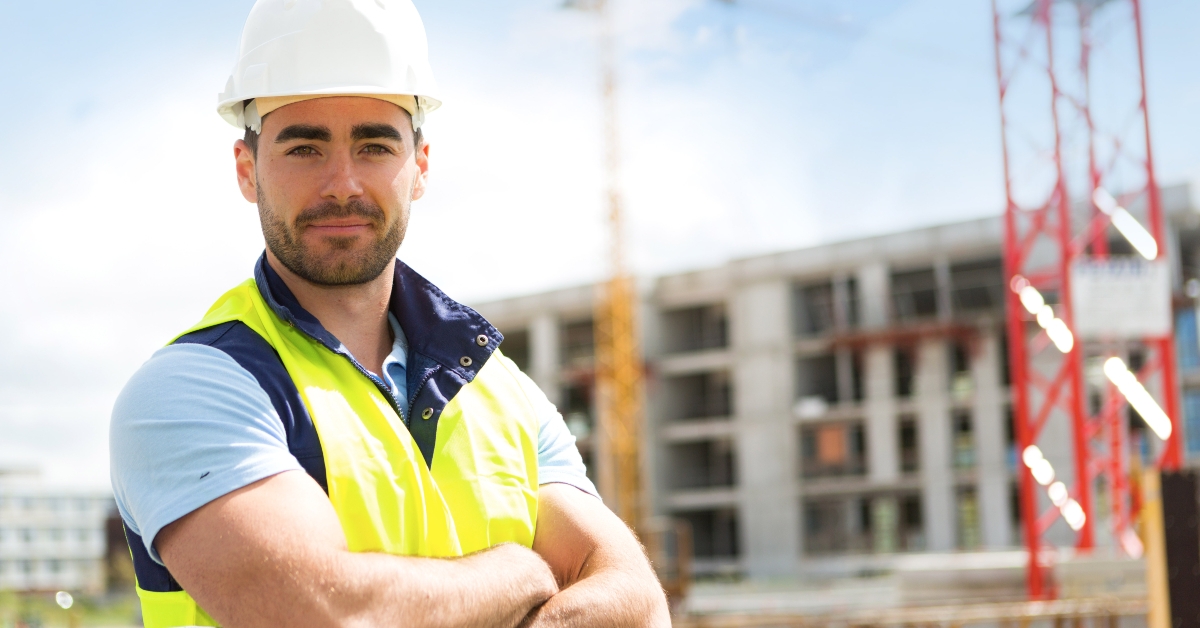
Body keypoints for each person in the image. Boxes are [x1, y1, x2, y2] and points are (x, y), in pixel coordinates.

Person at [108, 1, 671, 626]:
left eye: (374, 146)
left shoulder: (503, 389)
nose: (343, 183)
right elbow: (327, 615)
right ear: (248, 171)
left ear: (420, 169)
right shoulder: (192, 389)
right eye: (304, 149)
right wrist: (523, 571)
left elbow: (637, 602)